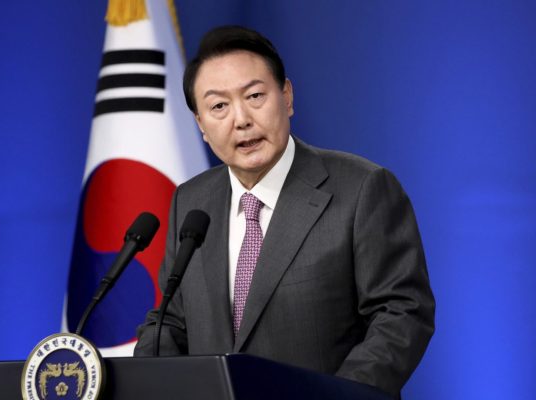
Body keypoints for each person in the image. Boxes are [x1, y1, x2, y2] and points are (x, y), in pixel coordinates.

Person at [133, 25, 435, 398]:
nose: (241, 119)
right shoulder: (192, 201)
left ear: (287, 97)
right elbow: (170, 321)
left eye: (255, 96)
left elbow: (401, 313)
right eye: (219, 106)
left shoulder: (361, 188)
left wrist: (337, 396)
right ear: (201, 125)